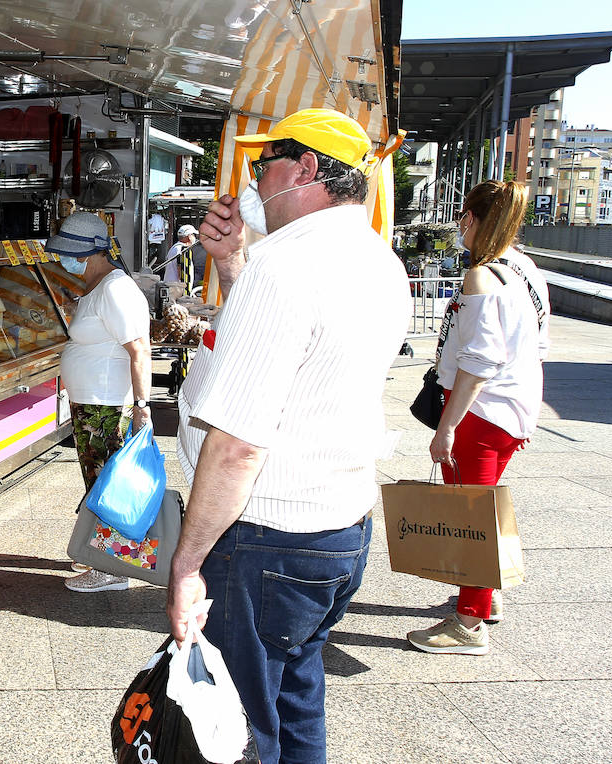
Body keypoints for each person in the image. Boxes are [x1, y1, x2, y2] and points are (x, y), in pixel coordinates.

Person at [166, 108, 412, 764]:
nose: (253, 180)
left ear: (304, 169)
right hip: (337, 532)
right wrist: (231, 267)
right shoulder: (380, 262)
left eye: (263, 165)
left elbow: (238, 446)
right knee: (296, 697)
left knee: (240, 727)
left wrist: (187, 564)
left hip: (262, 540)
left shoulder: (285, 267)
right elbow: (293, 355)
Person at [407, 180, 550, 655]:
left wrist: (446, 427)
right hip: (514, 409)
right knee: (484, 509)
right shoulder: (527, 271)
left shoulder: (482, 277)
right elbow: (539, 344)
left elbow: (478, 361)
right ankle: (485, 598)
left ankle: (467, 623)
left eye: (461, 220)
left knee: (470, 519)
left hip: (480, 414)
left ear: (470, 219)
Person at [46, 211, 152, 593]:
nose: (63, 260)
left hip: (106, 407)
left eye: (67, 253)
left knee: (107, 487)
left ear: (87, 254)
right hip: (92, 404)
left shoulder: (114, 289)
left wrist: (143, 406)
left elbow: (140, 350)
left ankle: (113, 569)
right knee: (98, 483)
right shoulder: (97, 286)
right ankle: (102, 554)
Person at [162, 224, 199, 289]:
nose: (194, 238)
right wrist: (184, 289)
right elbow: (181, 270)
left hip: (172, 286)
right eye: (193, 235)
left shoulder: (175, 247)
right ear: (189, 236)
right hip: (176, 288)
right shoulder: (182, 249)